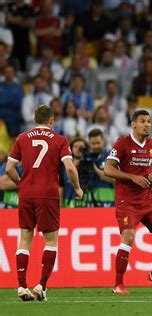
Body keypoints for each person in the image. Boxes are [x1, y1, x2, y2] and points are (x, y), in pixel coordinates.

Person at [6, 105, 83, 302]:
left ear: (34, 120)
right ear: (52, 121)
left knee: (25, 239)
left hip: (27, 194)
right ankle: (41, 285)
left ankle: (22, 286)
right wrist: (77, 187)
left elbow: (9, 169)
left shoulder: (22, 138)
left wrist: (22, 184)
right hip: (48, 194)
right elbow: (70, 168)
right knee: (50, 241)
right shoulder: (59, 139)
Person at [104, 110, 152, 295]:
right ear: (133, 124)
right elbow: (108, 169)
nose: (147, 125)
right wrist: (132, 177)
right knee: (128, 237)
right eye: (143, 121)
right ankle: (118, 285)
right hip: (126, 201)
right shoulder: (122, 143)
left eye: (149, 122)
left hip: (146, 200)